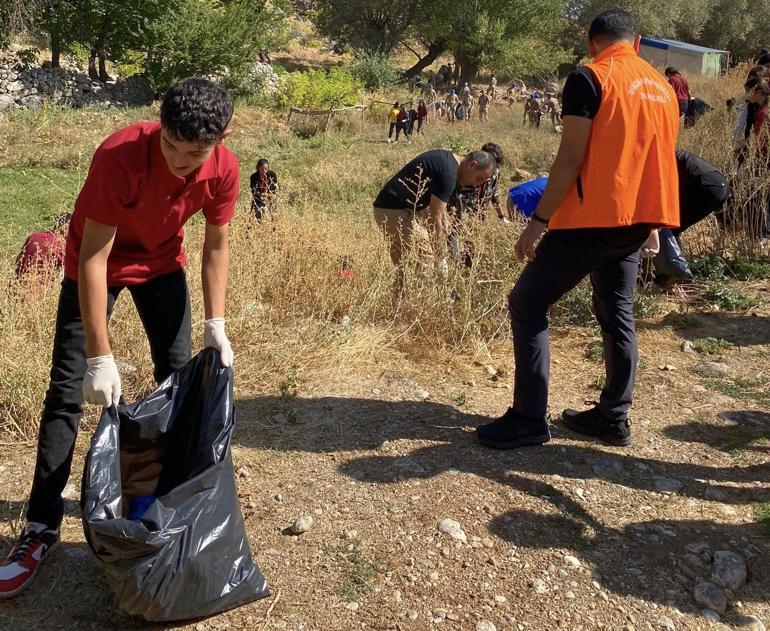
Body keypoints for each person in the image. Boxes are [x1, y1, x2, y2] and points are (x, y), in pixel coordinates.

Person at [0, 78, 238, 599]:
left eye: (192, 152)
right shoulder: (120, 155)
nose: (178, 159)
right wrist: (100, 357)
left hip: (162, 268)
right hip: (95, 266)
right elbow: (93, 256)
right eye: (170, 144)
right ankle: (40, 528)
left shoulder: (224, 169)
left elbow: (215, 246)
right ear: (160, 125)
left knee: (176, 386)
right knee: (66, 392)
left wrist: (215, 322)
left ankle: (166, 510)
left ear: (220, 139)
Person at [476, 10, 679, 450]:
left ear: (592, 44)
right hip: (639, 218)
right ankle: (612, 417)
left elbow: (570, 159)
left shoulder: (590, 77)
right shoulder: (663, 86)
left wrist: (539, 221)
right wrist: (654, 224)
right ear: (638, 41)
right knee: (617, 312)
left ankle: (529, 419)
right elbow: (658, 154)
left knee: (527, 302)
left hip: (594, 217)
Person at [372, 150, 495, 288]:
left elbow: (435, 210)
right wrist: (441, 257)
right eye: (479, 179)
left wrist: (444, 224)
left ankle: (400, 304)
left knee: (406, 265)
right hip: (393, 211)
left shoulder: (448, 163)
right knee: (425, 256)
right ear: (472, 165)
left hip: (393, 210)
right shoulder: (449, 174)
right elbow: (434, 218)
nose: (475, 185)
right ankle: (420, 301)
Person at [653, 150, 731, 289]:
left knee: (665, 224)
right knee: (672, 227)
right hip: (720, 186)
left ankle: (678, 276)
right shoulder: (664, 151)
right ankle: (674, 273)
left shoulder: (654, 158)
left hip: (704, 183)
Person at [448, 143, 507, 267]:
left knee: (473, 250)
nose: (492, 168)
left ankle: (467, 272)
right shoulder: (467, 173)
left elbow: (495, 196)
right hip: (458, 218)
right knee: (454, 250)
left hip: (478, 219)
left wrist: (502, 217)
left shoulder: (495, 174)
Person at [14, 213, 71, 279]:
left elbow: (18, 259)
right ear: (65, 227)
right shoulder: (61, 245)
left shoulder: (34, 236)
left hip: (18, 282)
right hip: (39, 286)